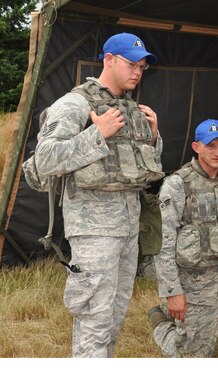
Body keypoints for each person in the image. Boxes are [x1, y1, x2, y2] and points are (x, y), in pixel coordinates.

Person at [33, 32, 162, 357]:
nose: (138, 71)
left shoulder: (129, 109)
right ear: (108, 60)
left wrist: (153, 137)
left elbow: (141, 166)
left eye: (143, 66)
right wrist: (97, 134)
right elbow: (44, 160)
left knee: (113, 321)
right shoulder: (74, 104)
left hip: (127, 233)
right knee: (94, 325)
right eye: (132, 63)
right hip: (94, 235)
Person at [148, 118, 218, 357]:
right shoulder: (177, 185)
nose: (217, 152)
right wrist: (172, 292)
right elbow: (163, 242)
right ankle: (161, 324)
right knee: (192, 356)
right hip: (198, 277)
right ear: (196, 147)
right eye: (210, 145)